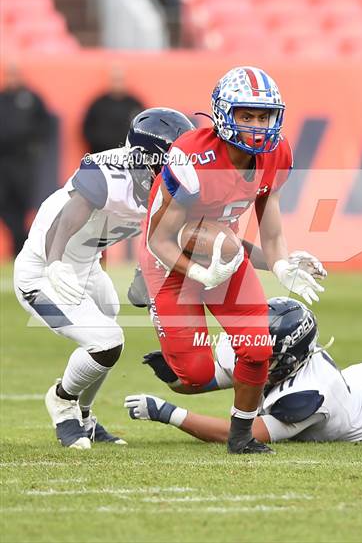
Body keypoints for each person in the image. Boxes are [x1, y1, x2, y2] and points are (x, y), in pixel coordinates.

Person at [136, 66, 326, 454]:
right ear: (225, 114)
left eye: (263, 116)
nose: (257, 125)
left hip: (219, 247)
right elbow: (160, 237)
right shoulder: (194, 156)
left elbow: (270, 228)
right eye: (247, 115)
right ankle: (172, 348)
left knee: (257, 347)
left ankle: (240, 436)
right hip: (169, 254)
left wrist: (282, 265)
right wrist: (198, 273)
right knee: (195, 375)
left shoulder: (277, 152)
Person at [14, 107, 195, 450]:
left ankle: (84, 415)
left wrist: (148, 276)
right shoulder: (107, 172)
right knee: (107, 340)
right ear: (144, 158)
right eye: (170, 162)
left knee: (108, 317)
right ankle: (62, 401)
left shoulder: (163, 185)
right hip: (43, 272)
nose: (177, 173)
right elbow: (67, 219)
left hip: (86, 266)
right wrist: (54, 262)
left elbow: (161, 236)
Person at [125, 297, 362, 443]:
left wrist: (169, 414)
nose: (250, 356)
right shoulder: (276, 356)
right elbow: (202, 381)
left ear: (288, 357)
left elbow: (242, 433)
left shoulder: (309, 393)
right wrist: (173, 374)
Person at [0, 62, 54, 256]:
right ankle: (21, 238)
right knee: (4, 204)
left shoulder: (32, 98)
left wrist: (35, 147)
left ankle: (20, 247)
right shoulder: (2, 98)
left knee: (24, 203)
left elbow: (45, 124)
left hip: (23, 161)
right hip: (3, 160)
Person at [82, 64, 145, 154]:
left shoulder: (135, 104)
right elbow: (87, 128)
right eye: (115, 79)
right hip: (103, 154)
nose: (117, 83)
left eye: (119, 79)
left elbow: (144, 127)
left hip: (129, 156)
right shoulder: (98, 104)